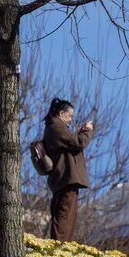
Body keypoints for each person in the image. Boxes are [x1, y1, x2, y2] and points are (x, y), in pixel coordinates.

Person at [42, 98, 94, 242]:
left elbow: (70, 142)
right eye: (70, 116)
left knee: (66, 216)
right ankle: (60, 247)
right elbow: (79, 142)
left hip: (63, 179)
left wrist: (79, 133)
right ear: (61, 113)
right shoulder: (57, 126)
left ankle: (62, 246)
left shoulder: (53, 127)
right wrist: (87, 131)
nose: (71, 120)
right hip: (66, 178)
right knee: (65, 216)